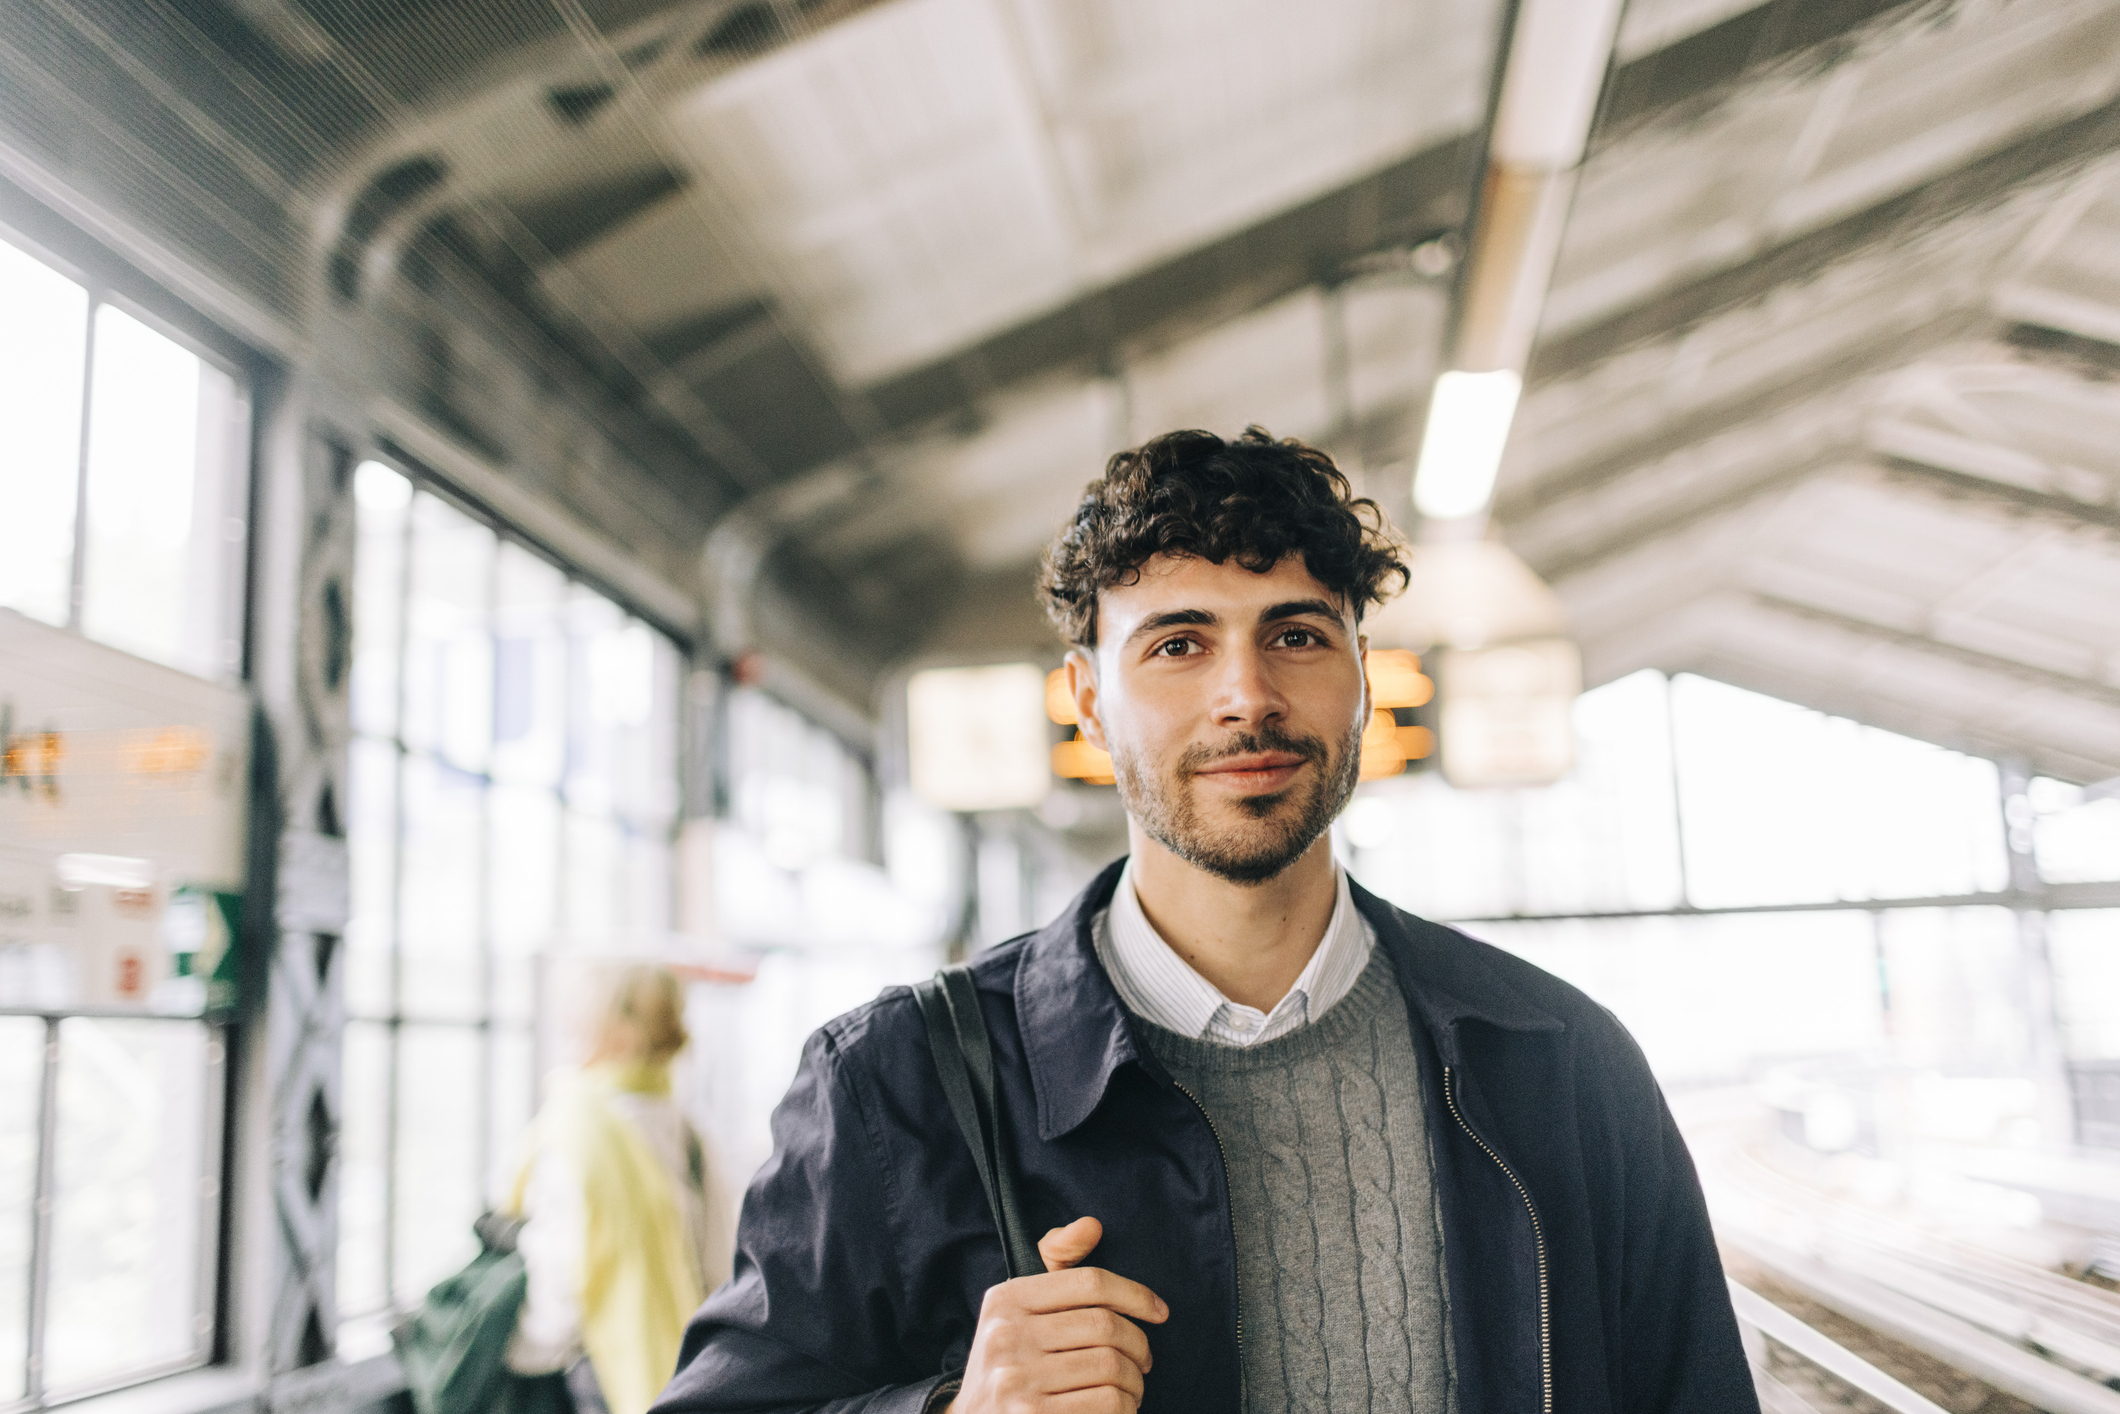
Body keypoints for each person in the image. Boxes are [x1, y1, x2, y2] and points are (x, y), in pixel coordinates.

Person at [654, 428, 1757, 1413]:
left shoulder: (1559, 1066)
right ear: (1088, 699)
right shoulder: (895, 1086)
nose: (1246, 695)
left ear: (1364, 676)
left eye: (1296, 636)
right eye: (1178, 644)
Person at [505, 963, 736, 1414]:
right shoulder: (690, 1130)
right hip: (690, 1373)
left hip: (600, 1378)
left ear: (618, 1035)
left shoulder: (578, 1129)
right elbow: (719, 1265)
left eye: (575, 1026)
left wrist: (511, 1349)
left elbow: (559, 1292)